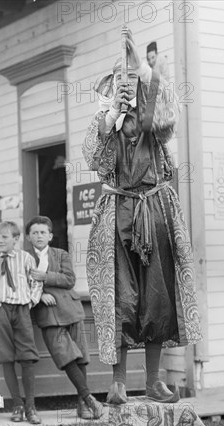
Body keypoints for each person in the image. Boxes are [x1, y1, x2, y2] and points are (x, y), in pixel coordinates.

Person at [82, 27, 202, 405]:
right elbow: (96, 162)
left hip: (155, 215)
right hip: (117, 218)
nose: (128, 85)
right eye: (123, 78)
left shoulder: (152, 123)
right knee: (122, 300)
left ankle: (153, 381)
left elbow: (163, 119)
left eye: (132, 79)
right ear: (112, 84)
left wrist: (146, 72)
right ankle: (118, 383)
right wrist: (112, 115)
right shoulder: (106, 122)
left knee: (157, 299)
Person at [25, 216, 104, 420]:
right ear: (28, 237)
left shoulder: (60, 254)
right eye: (35, 232)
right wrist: (40, 295)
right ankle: (88, 398)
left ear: (50, 236)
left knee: (82, 358)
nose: (39, 236)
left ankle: (82, 405)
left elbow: (69, 279)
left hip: (71, 309)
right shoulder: (23, 259)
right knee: (66, 355)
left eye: (43, 232)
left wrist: (46, 277)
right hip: (48, 315)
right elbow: (20, 286)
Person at [0, 221, 43, 424]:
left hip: (21, 308)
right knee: (5, 356)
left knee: (27, 355)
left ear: (16, 239)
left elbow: (36, 282)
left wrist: (32, 301)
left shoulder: (25, 258)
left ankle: (31, 406)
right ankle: (17, 404)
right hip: (0, 309)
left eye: (4, 237)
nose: (0, 241)